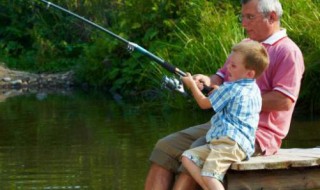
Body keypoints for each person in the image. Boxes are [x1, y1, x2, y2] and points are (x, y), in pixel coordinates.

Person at [144, 0, 305, 189]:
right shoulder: (246, 45)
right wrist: (206, 81)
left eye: (250, 17)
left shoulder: (288, 52)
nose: (244, 23)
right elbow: (221, 77)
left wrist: (235, 98)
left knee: (195, 153)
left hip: (255, 134)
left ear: (272, 17)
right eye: (242, 16)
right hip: (222, 125)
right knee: (165, 147)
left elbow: (284, 101)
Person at [178, 40, 269, 190]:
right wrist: (217, 91)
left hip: (229, 143)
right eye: (229, 63)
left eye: (233, 65)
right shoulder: (254, 89)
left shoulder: (231, 88)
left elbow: (203, 103)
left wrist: (192, 85)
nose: (228, 68)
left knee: (209, 175)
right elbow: (230, 101)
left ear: (250, 73)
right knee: (188, 157)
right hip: (238, 145)